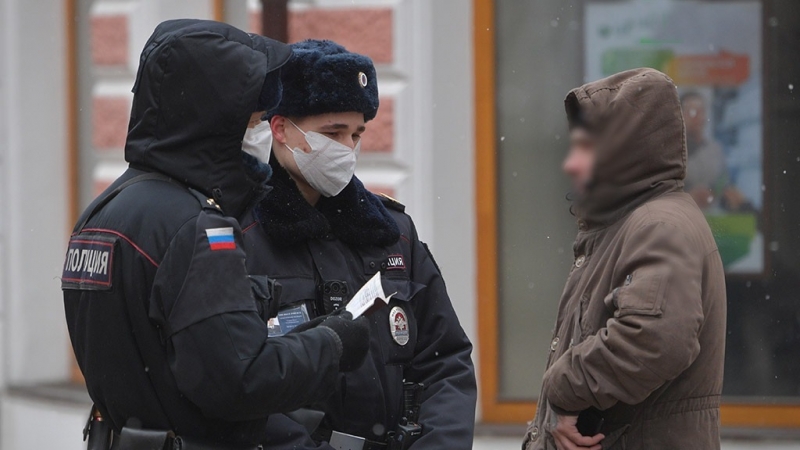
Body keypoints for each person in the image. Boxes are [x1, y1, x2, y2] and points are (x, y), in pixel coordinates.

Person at [62, 20, 370, 449]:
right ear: (216, 121)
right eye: (253, 121)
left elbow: (159, 348)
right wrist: (334, 343)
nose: (258, 134)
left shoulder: (106, 210)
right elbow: (238, 380)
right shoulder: (199, 226)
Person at [239, 40, 477, 449]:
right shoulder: (238, 235)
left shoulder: (392, 233)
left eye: (357, 133)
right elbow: (233, 378)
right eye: (333, 132)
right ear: (280, 129)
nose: (347, 149)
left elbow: (446, 361)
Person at [522, 68, 726, 450]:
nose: (570, 164)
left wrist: (565, 388)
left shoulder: (658, 225)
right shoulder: (630, 222)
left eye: (584, 148)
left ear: (624, 151)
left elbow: (656, 339)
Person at [681, 91, 751, 212]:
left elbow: (723, 183)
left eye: (701, 111)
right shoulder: (672, 152)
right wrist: (687, 197)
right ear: (681, 115)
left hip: (714, 219)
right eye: (692, 112)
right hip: (683, 216)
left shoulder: (715, 150)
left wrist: (717, 194)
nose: (698, 116)